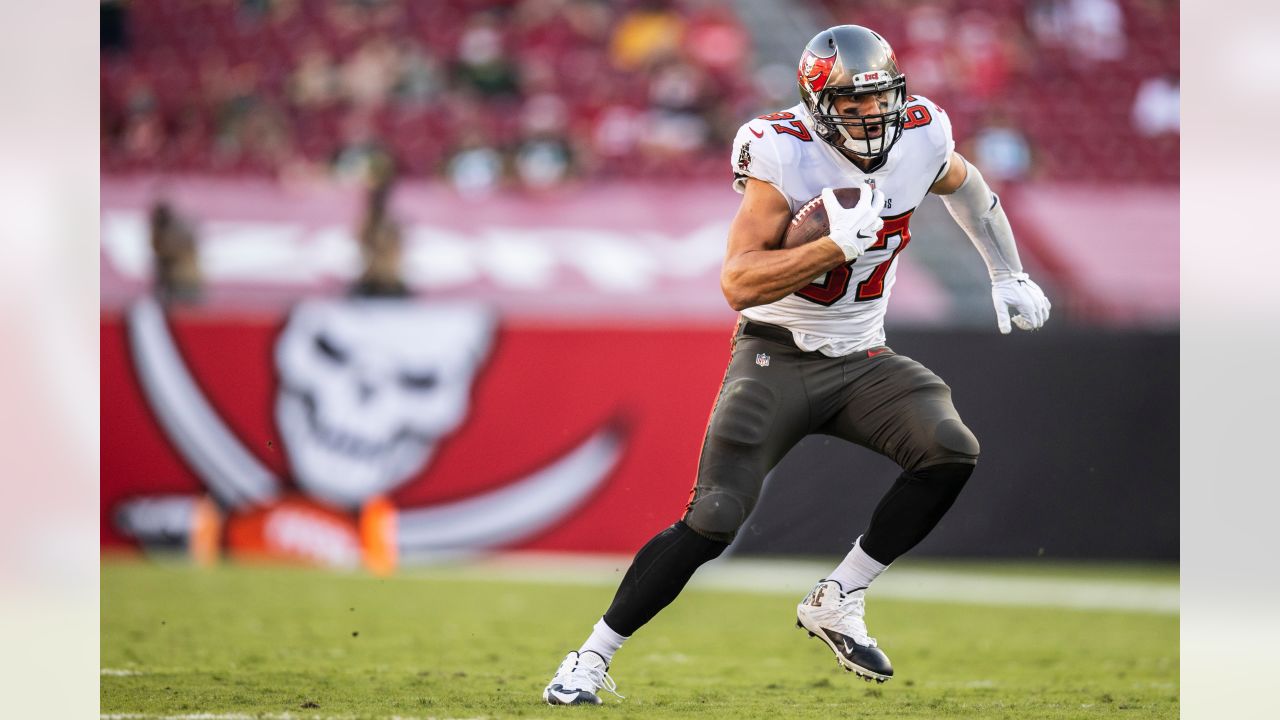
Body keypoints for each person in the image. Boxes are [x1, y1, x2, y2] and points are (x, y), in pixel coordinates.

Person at [542, 25, 1051, 706]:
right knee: (714, 518)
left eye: (880, 99)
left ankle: (840, 596)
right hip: (774, 354)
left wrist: (1007, 271)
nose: (872, 116)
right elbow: (740, 282)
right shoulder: (782, 150)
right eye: (852, 103)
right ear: (817, 105)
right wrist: (829, 249)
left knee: (949, 448)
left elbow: (964, 181)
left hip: (864, 356)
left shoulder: (922, 132)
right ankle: (590, 657)